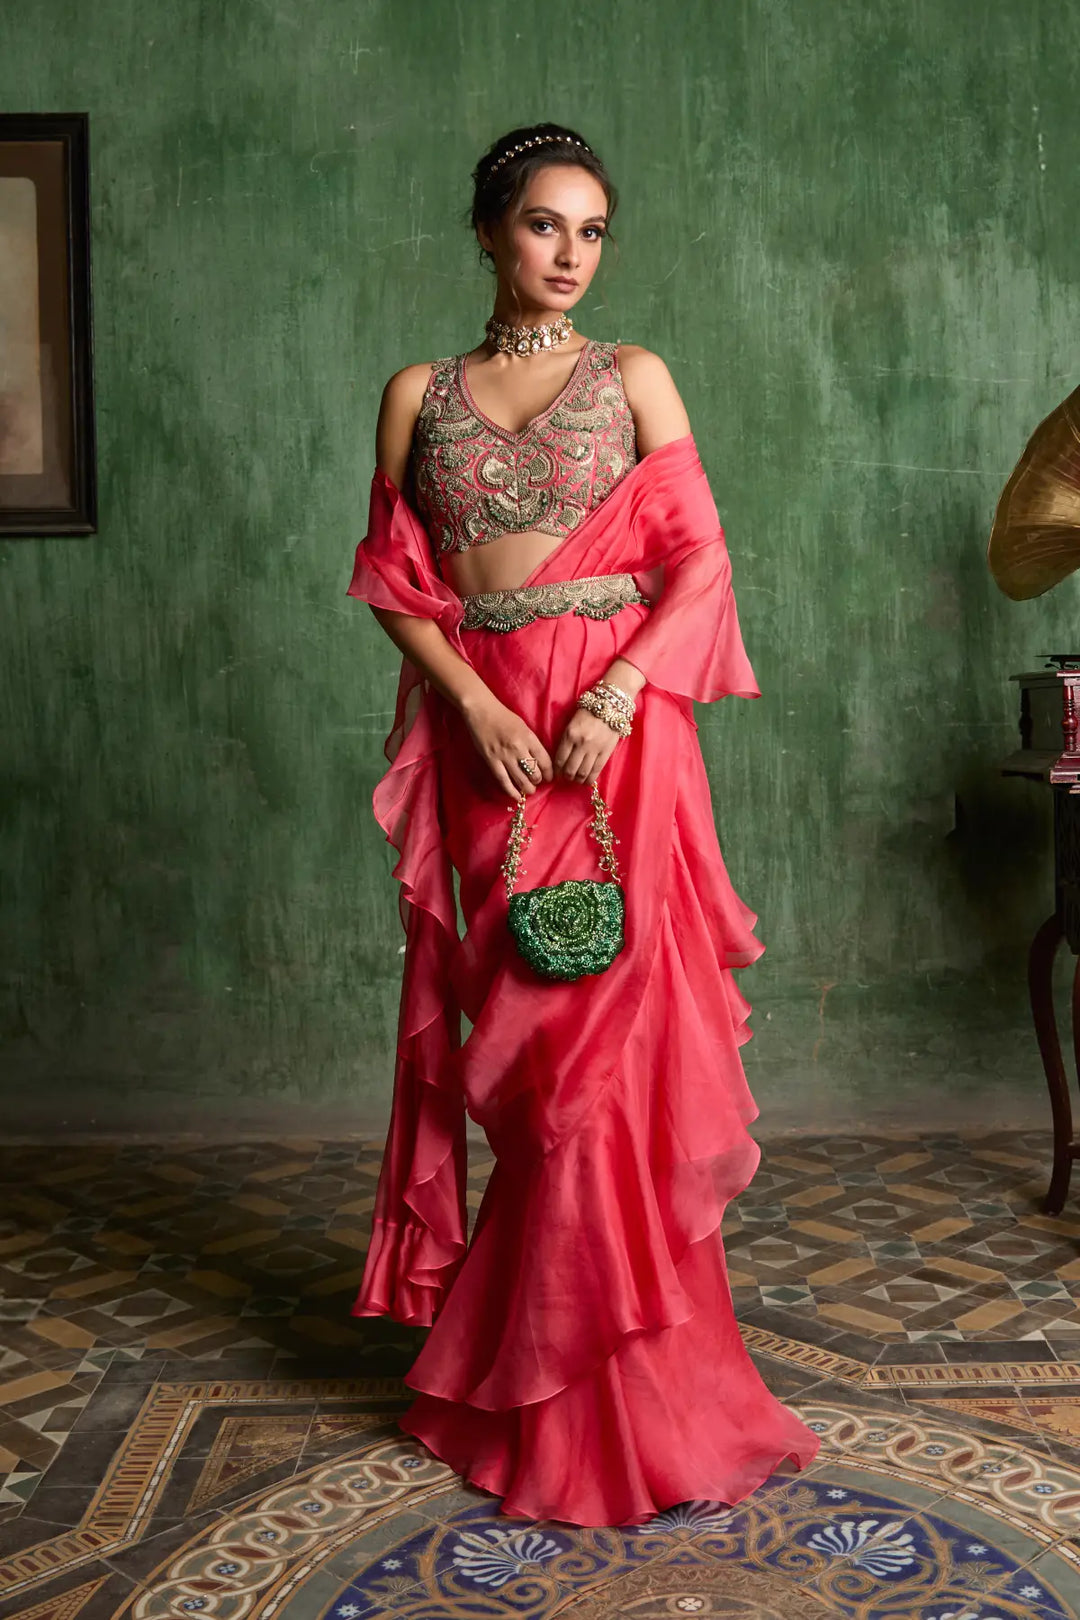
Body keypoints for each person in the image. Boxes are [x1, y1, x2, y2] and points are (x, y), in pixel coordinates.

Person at [346, 121, 819, 1527]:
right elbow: (392, 581)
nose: (570, 255)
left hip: (619, 733)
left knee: (612, 1058)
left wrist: (614, 696)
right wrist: (470, 704)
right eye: (547, 225)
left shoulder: (636, 380)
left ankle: (635, 1391)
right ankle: (527, 1359)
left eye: (593, 231)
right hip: (488, 732)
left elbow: (699, 562)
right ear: (491, 229)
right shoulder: (418, 391)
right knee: (527, 1060)